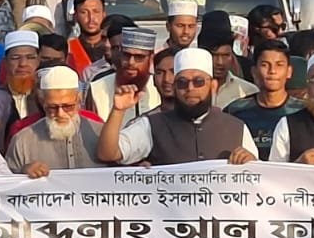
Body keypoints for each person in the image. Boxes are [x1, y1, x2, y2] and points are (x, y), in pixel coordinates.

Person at [97, 48, 257, 166]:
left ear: (212, 86)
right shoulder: (152, 125)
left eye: (199, 81)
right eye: (182, 82)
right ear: (174, 87)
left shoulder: (237, 127)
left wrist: (251, 163)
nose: (190, 88)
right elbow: (108, 153)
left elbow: (259, 178)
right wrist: (118, 110)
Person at [7, 66, 106, 175]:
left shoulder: (101, 134)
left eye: (67, 106)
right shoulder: (23, 141)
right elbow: (6, 182)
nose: (60, 114)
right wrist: (23, 171)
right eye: (52, 107)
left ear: (79, 99)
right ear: (42, 102)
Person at [227, 41, 301, 160]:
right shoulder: (235, 111)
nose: (272, 71)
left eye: (279, 65)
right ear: (254, 72)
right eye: (265, 65)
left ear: (289, 71)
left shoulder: (302, 112)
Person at [87, 27, 162, 118]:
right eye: (126, 55)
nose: (131, 62)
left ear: (151, 58)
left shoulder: (159, 87)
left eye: (139, 57)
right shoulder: (97, 89)